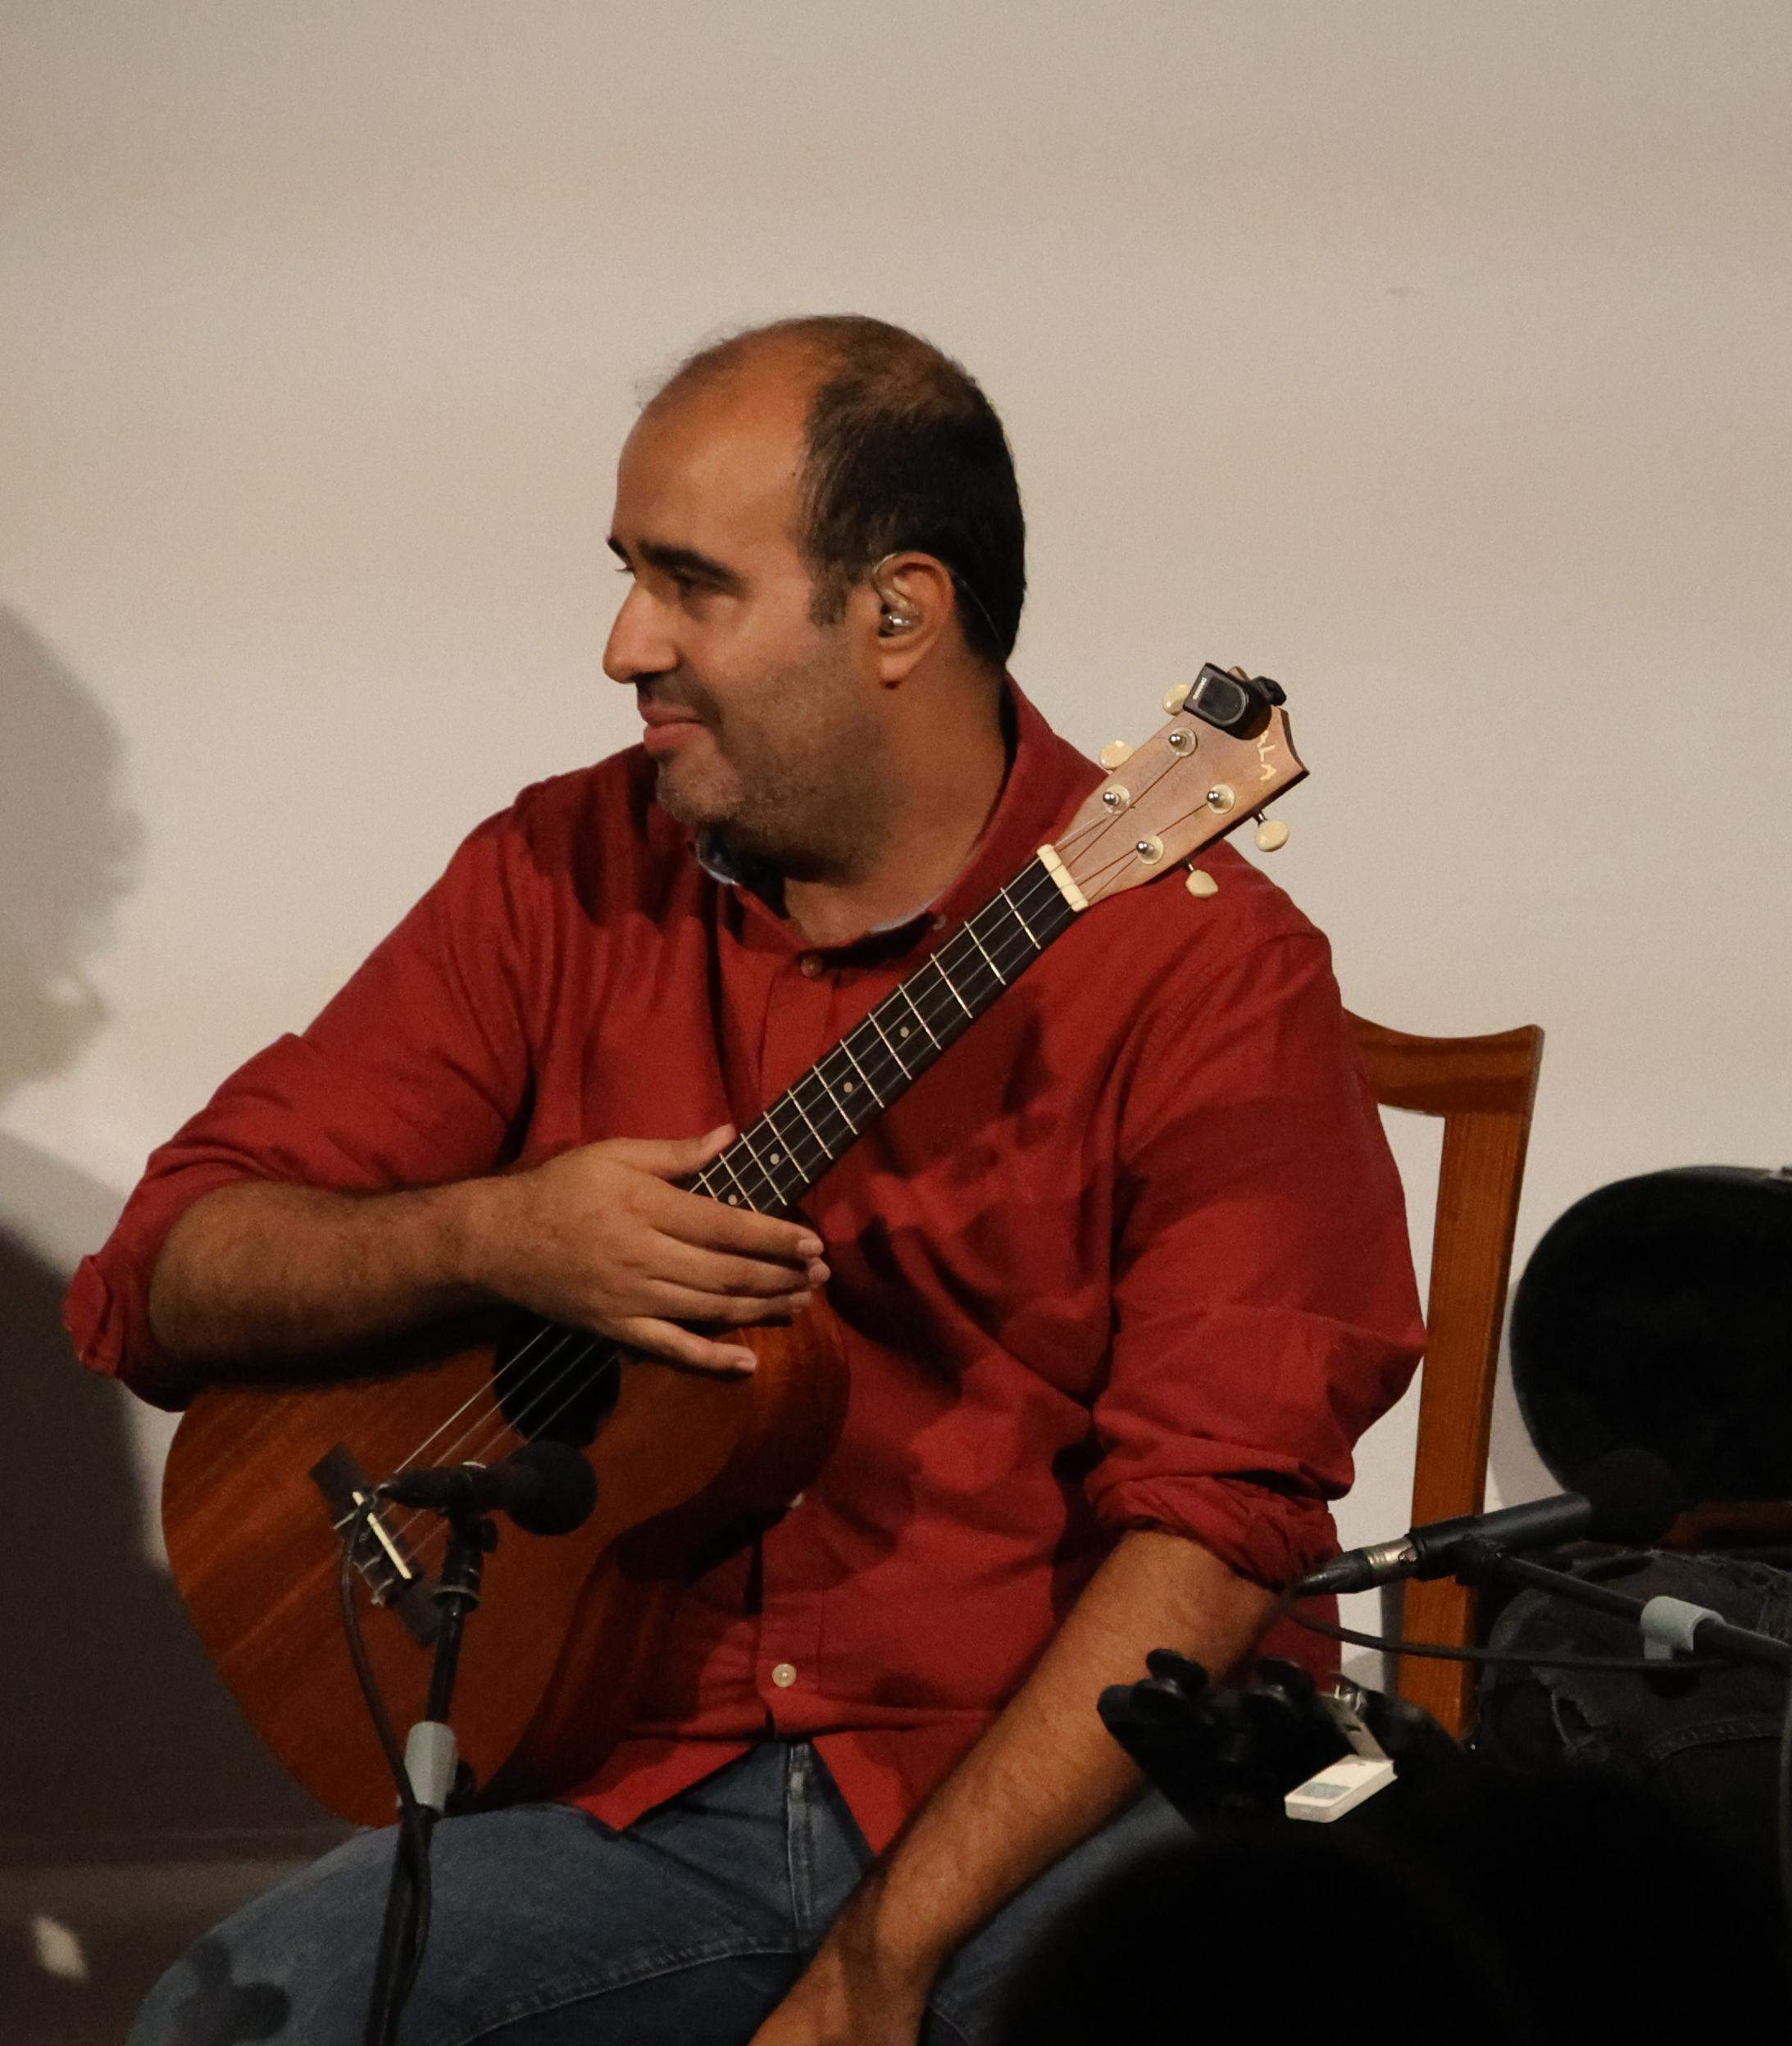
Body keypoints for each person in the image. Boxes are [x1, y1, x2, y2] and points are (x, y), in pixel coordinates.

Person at [70, 315, 1424, 2045]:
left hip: (1047, 1770)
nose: (623, 645)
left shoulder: (1200, 968)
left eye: (691, 586)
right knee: (224, 2024)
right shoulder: (562, 870)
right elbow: (166, 1271)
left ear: (898, 614)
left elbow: (1215, 1532)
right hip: (642, 1775)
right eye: (627, 575)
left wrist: (880, 1965)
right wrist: (498, 1235)